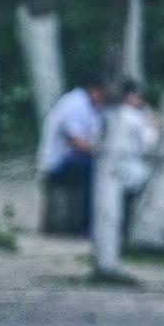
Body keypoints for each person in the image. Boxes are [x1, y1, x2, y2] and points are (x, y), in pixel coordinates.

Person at [36, 75, 107, 233]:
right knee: (94, 170)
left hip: (75, 159)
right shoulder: (74, 104)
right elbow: (76, 142)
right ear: (96, 90)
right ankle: (86, 226)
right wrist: (103, 153)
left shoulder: (95, 107)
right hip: (58, 162)